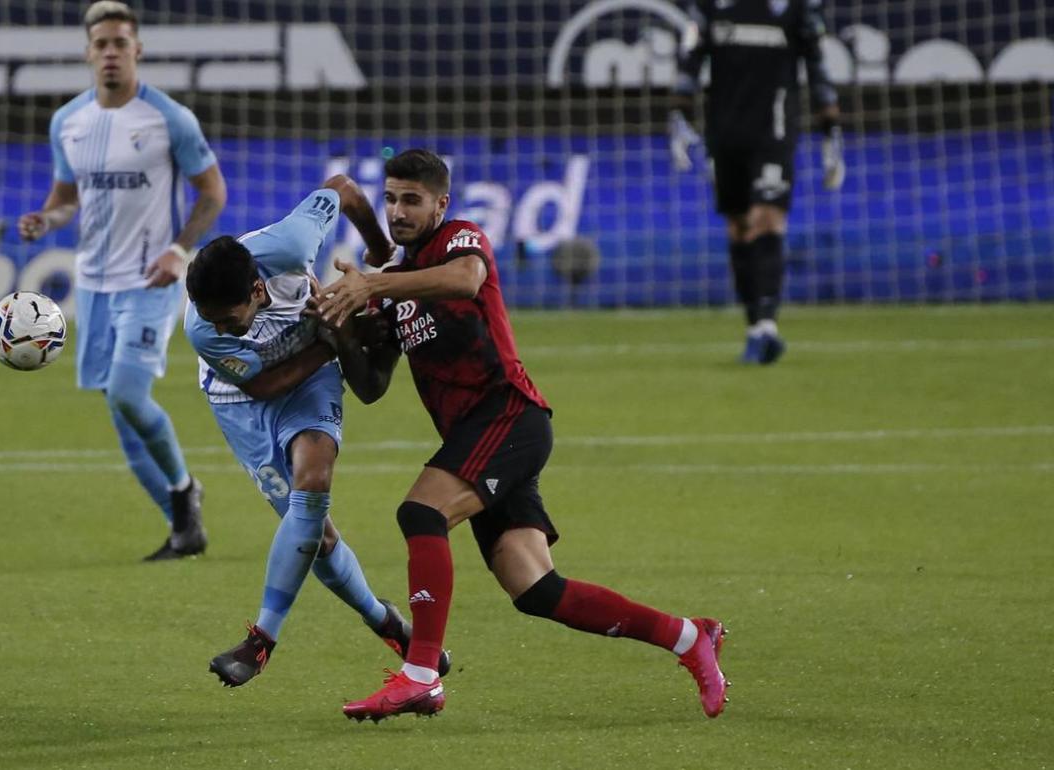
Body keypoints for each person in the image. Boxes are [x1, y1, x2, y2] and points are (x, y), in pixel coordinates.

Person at [312, 149, 728, 722]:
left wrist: (381, 286)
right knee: (535, 590)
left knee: (421, 513)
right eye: (390, 198)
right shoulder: (393, 286)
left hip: (507, 414)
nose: (398, 211)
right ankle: (689, 637)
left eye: (412, 200)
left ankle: (421, 675)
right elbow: (371, 386)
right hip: (482, 436)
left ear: (441, 204)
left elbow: (467, 280)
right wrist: (337, 331)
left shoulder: (459, 240)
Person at [184, 175, 450, 687]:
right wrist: (333, 338)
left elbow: (344, 188)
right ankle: (385, 621)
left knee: (313, 486)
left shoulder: (293, 242)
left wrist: (375, 244)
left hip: (310, 377)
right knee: (316, 535)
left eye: (227, 318)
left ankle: (259, 642)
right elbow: (263, 386)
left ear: (258, 290)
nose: (218, 327)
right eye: (209, 319)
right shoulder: (203, 331)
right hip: (242, 399)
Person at [18, 1, 227, 560]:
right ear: (88, 52)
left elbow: (213, 192)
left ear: (137, 50)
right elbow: (65, 201)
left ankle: (185, 491)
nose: (110, 53)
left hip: (149, 281)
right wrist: (46, 219)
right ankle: (184, 530)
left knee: (129, 393)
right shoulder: (68, 121)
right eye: (101, 44)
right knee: (120, 411)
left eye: (120, 43)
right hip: (93, 286)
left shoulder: (170, 118)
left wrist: (179, 251)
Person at [669, 0, 844, 364]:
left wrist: (831, 128)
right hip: (725, 132)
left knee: (768, 217)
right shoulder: (710, 7)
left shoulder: (797, 8)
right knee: (739, 225)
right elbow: (689, 59)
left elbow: (817, 65)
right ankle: (754, 327)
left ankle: (767, 325)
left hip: (775, 131)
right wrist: (679, 115)